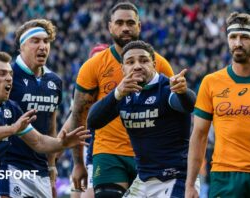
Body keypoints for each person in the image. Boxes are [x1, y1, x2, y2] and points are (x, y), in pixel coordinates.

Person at [68, 2, 174, 197]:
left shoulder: (160, 64)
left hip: (149, 154)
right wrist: (78, 164)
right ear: (110, 26)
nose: (125, 28)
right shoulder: (93, 66)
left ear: (139, 26)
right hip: (109, 153)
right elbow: (78, 116)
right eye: (119, 23)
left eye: (130, 23)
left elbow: (173, 113)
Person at [87, 40, 198, 197]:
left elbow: (188, 105)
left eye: (144, 60)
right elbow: (93, 122)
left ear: (154, 64)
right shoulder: (124, 94)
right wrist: (117, 93)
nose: (137, 66)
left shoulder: (166, 88)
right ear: (122, 69)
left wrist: (183, 92)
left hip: (175, 178)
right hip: (144, 180)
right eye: (130, 62)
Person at [0, 51, 90, 197]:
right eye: (2, 74)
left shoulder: (11, 108)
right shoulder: (12, 122)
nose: (9, 78)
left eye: (10, 74)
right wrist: (12, 129)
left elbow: (38, 141)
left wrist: (62, 143)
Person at [185, 12, 250, 198]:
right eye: (233, 37)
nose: (238, 43)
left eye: (245, 37)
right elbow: (199, 135)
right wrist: (190, 184)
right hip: (224, 176)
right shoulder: (211, 82)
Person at [0, 19, 61, 198]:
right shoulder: (7, 75)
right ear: (21, 46)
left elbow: (51, 125)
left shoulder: (54, 81)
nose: (42, 46)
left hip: (40, 168)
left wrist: (52, 165)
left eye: (46, 41)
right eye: (36, 41)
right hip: (9, 165)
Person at [69, 43, 109, 198]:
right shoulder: (84, 86)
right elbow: (73, 117)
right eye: (94, 60)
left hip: (104, 146)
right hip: (84, 145)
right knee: (77, 191)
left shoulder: (114, 86)